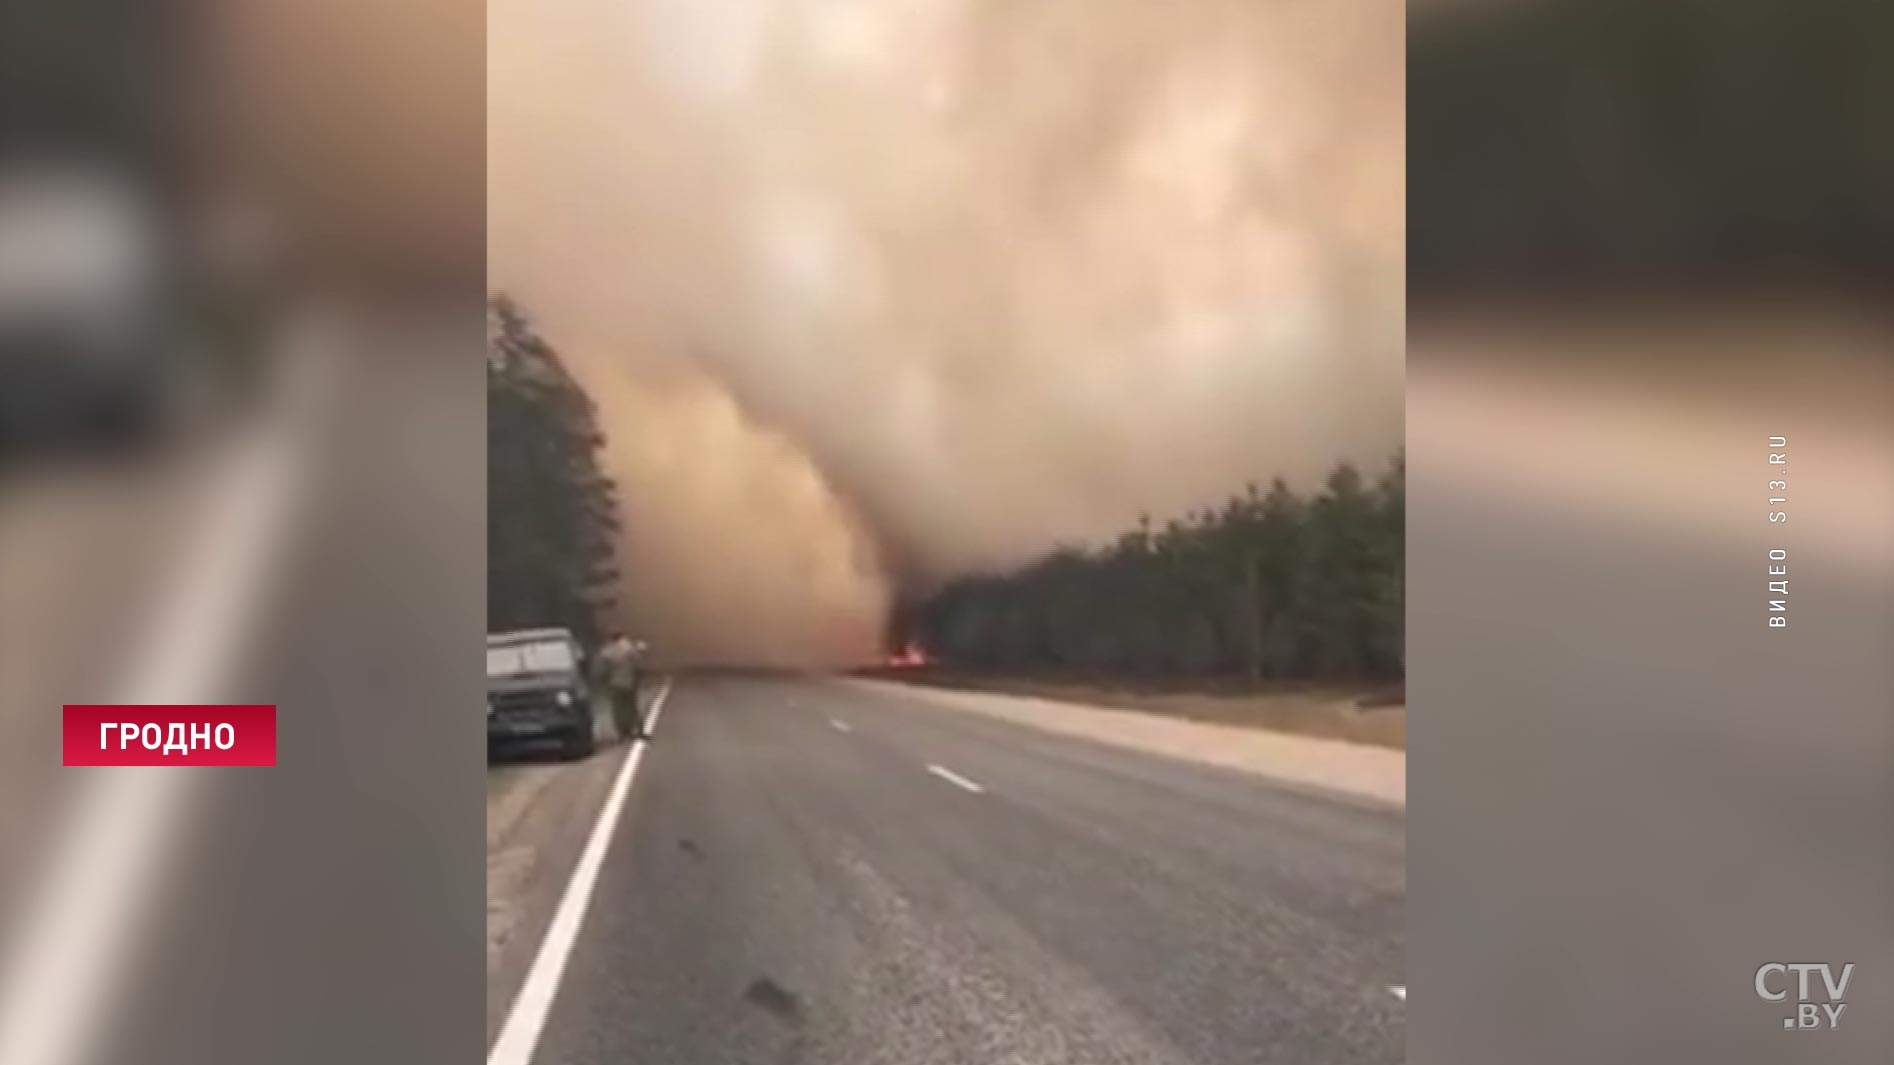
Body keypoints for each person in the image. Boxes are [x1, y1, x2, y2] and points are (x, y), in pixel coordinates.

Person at [596, 630, 645, 741]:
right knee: (632, 707)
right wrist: (638, 677)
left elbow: (603, 669)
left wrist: (603, 682)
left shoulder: (607, 651)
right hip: (629, 681)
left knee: (618, 710)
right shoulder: (629, 647)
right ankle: (639, 731)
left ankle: (622, 733)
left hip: (615, 683)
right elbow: (638, 664)